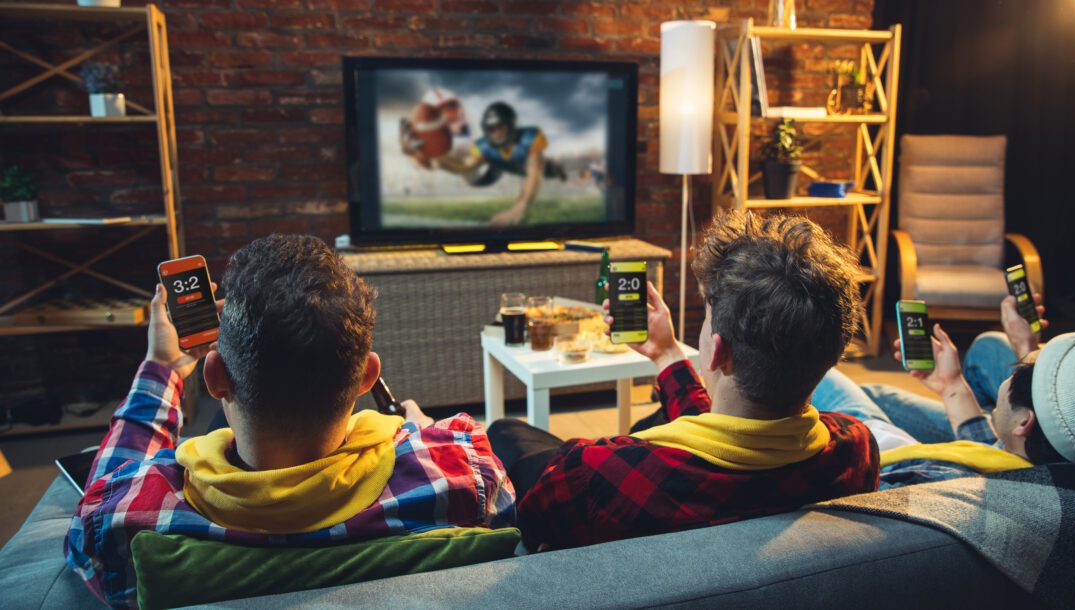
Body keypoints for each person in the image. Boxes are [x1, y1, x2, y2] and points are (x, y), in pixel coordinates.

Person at [65, 235, 516, 608]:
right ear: (367, 376)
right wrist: (420, 431)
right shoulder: (466, 473)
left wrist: (161, 367)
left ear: (216, 377)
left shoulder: (122, 523)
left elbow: (101, 492)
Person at [488, 211, 880, 551]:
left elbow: (532, 524)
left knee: (506, 432)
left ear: (715, 352)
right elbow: (729, 440)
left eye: (707, 320)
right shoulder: (855, 449)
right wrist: (666, 353)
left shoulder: (593, 473)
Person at [812, 293, 1075, 488]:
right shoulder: (1037, 460)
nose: (1010, 372)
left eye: (1015, 372)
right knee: (880, 391)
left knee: (830, 380)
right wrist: (951, 385)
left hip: (890, 453)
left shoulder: (944, 477)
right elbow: (992, 450)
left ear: (1024, 423)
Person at [423, 101, 567, 226]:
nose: (496, 132)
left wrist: (518, 209)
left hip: (532, 165)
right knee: (485, 170)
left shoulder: (529, 137)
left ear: (511, 125)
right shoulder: (484, 146)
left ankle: (555, 165)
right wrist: (439, 159)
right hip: (502, 164)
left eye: (500, 127)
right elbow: (465, 165)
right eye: (491, 128)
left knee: (549, 171)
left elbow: (534, 174)